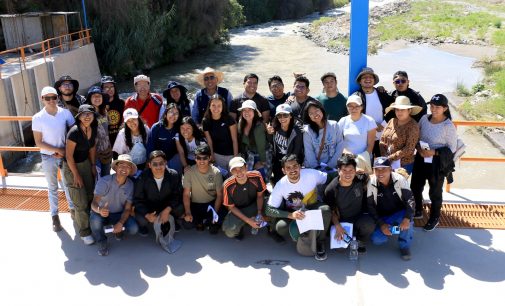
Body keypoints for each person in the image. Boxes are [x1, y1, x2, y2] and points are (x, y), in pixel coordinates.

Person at [265, 154, 331, 261]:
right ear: (283, 170)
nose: (292, 170)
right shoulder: (281, 185)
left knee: (326, 210)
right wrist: (290, 215)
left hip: (313, 207)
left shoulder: (311, 174)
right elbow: (269, 210)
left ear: (300, 166)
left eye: (295, 166)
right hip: (295, 213)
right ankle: (302, 234)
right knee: (280, 228)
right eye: (288, 168)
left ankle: (320, 241)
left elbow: (330, 177)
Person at [410, 94, 457, 231]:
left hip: (436, 162)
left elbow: (452, 148)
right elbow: (417, 135)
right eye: (431, 106)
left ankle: (434, 217)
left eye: (437, 107)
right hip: (420, 157)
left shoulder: (448, 126)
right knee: (415, 186)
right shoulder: (424, 119)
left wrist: (434, 152)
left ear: (445, 108)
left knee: (435, 191)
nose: (433, 109)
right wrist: (418, 148)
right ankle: (418, 209)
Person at [32, 86, 75, 232]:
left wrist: (65, 151)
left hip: (65, 155)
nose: (51, 101)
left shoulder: (66, 113)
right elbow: (38, 142)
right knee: (52, 187)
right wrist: (57, 150)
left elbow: (73, 133)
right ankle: (55, 216)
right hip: (48, 156)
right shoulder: (38, 117)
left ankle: (73, 210)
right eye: (47, 98)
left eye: (54, 97)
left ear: (58, 98)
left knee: (68, 184)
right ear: (42, 99)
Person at [324, 154, 375, 254]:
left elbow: (371, 176)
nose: (348, 173)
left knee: (369, 224)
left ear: (355, 170)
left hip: (358, 217)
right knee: (340, 249)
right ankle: (350, 238)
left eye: (351, 170)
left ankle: (360, 241)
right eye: (344, 170)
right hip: (342, 221)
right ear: (338, 171)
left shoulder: (360, 179)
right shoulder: (331, 189)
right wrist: (338, 226)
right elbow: (331, 211)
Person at [367, 157, 415, 260]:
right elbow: (370, 207)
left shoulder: (400, 179)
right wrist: (381, 224)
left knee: (408, 222)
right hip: (383, 217)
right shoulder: (371, 183)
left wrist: (406, 218)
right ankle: (394, 229)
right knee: (377, 240)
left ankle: (404, 245)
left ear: (390, 169)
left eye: (383, 169)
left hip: (399, 213)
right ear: (374, 170)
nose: (380, 172)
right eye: (377, 169)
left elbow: (410, 201)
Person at [90, 154, 139, 256]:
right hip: (101, 213)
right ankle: (102, 242)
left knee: (134, 228)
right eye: (121, 165)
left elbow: (127, 209)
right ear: (116, 167)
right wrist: (99, 210)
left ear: (130, 170)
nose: (124, 168)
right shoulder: (104, 181)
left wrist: (121, 222)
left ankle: (118, 229)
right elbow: (93, 203)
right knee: (95, 220)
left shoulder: (131, 185)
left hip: (118, 213)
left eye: (128, 166)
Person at [63, 104, 97, 245]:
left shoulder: (92, 129)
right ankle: (84, 232)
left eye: (90, 114)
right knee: (80, 200)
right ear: (79, 117)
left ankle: (87, 221)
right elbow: (69, 156)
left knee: (90, 195)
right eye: (84, 114)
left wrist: (93, 165)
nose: (87, 116)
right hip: (72, 167)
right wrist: (76, 174)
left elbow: (92, 147)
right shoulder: (74, 132)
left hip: (85, 164)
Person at [134, 150, 183, 237]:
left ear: (166, 163)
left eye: (161, 163)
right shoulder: (142, 178)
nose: (158, 166)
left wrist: (167, 210)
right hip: (150, 208)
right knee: (141, 219)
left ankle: (171, 220)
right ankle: (144, 226)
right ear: (149, 165)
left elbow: (177, 195)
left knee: (180, 208)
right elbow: (138, 199)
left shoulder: (174, 175)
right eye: (155, 164)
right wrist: (147, 214)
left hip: (166, 205)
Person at [182, 144, 225, 234]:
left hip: (211, 204)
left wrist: (215, 213)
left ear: (209, 158)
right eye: (198, 158)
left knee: (217, 224)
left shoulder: (216, 172)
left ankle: (205, 222)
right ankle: (202, 221)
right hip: (195, 204)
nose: (201, 161)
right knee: (187, 224)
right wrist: (188, 212)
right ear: (195, 158)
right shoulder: (189, 172)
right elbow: (186, 194)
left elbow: (220, 195)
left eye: (205, 158)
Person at [222, 157, 267, 240]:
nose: (239, 172)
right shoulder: (227, 185)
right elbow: (231, 207)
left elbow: (260, 195)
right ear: (231, 172)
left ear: (246, 167)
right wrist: (248, 220)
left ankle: (271, 228)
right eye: (234, 170)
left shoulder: (256, 175)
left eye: (241, 168)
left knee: (271, 204)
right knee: (230, 231)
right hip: (239, 210)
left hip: (255, 205)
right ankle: (243, 225)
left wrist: (259, 212)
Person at [352, 67, 394, 157]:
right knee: (365, 164)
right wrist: (373, 125)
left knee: (382, 164)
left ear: (374, 81)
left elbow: (393, 109)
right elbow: (353, 115)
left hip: (382, 135)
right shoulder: (356, 96)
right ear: (360, 81)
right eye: (364, 77)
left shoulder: (382, 94)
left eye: (370, 77)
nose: (368, 79)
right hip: (364, 137)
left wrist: (384, 123)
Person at [380, 96, 422, 174]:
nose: (399, 112)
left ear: (409, 110)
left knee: (398, 185)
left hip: (403, 164)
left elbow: (409, 149)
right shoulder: (392, 121)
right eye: (397, 109)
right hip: (387, 161)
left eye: (402, 109)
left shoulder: (413, 126)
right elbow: (382, 139)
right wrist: (384, 156)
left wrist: (390, 158)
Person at [266, 104, 304, 185]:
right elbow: (271, 143)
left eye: (285, 115)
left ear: (290, 116)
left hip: (291, 159)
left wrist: (287, 163)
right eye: (279, 116)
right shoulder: (275, 127)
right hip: (277, 159)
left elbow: (297, 150)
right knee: (278, 183)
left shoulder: (297, 130)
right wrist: (269, 134)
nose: (282, 118)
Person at [303, 100, 344, 170]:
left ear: (322, 110)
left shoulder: (334, 125)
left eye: (317, 110)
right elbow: (309, 152)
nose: (315, 114)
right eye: (311, 113)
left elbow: (340, 146)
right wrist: (317, 168)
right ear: (309, 117)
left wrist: (329, 167)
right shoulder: (307, 131)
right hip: (314, 169)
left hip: (332, 168)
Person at [202, 94, 239, 171]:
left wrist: (235, 158)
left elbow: (234, 140)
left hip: (231, 155)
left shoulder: (229, 119)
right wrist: (211, 155)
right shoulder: (206, 121)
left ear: (223, 107)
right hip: (217, 155)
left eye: (219, 105)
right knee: (221, 179)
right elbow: (209, 141)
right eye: (213, 105)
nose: (216, 108)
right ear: (209, 106)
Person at [237, 100, 270, 181]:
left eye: (249, 110)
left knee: (261, 178)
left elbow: (261, 146)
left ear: (255, 112)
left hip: (262, 155)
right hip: (250, 153)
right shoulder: (241, 122)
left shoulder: (259, 126)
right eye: (244, 110)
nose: (246, 112)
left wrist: (262, 162)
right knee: (248, 178)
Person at [338, 95, 376, 163]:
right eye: (350, 106)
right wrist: (347, 153)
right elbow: (338, 142)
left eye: (357, 106)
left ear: (361, 107)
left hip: (364, 159)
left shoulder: (369, 121)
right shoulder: (342, 121)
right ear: (347, 107)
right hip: (347, 159)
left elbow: (370, 145)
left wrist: (361, 158)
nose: (353, 109)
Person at [147, 103, 183, 173]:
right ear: (166, 114)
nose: (173, 115)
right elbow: (150, 147)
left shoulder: (179, 127)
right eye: (171, 112)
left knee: (176, 177)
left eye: (176, 113)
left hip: (173, 157)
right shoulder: (156, 127)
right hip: (158, 158)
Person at [86, 86, 112, 177]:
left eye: (99, 96)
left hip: (107, 152)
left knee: (106, 178)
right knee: (98, 181)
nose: (97, 98)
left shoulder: (104, 111)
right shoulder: (87, 114)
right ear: (90, 99)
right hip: (95, 154)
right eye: (94, 96)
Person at [101, 76, 125, 148]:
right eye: (106, 87)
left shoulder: (121, 102)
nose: (109, 89)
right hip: (105, 142)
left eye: (112, 86)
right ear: (102, 89)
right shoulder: (99, 104)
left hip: (120, 139)